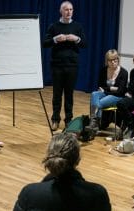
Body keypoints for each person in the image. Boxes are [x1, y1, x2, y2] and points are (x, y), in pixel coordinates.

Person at [43, 1, 86, 130]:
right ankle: (55, 119)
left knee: (69, 94)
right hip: (57, 65)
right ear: (61, 11)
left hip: (72, 65)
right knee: (57, 94)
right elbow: (45, 43)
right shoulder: (53, 26)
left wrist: (76, 39)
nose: (69, 12)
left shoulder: (77, 26)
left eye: (71, 9)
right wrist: (55, 39)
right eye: (66, 9)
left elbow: (84, 44)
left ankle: (68, 120)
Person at [89, 49, 128, 131]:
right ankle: (95, 122)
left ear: (118, 59)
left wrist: (107, 89)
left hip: (117, 96)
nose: (113, 62)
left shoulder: (124, 72)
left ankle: (94, 123)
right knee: (94, 94)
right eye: (110, 60)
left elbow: (120, 91)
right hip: (106, 93)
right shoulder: (103, 70)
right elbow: (100, 86)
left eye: (115, 59)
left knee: (98, 104)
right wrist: (112, 88)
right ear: (107, 61)